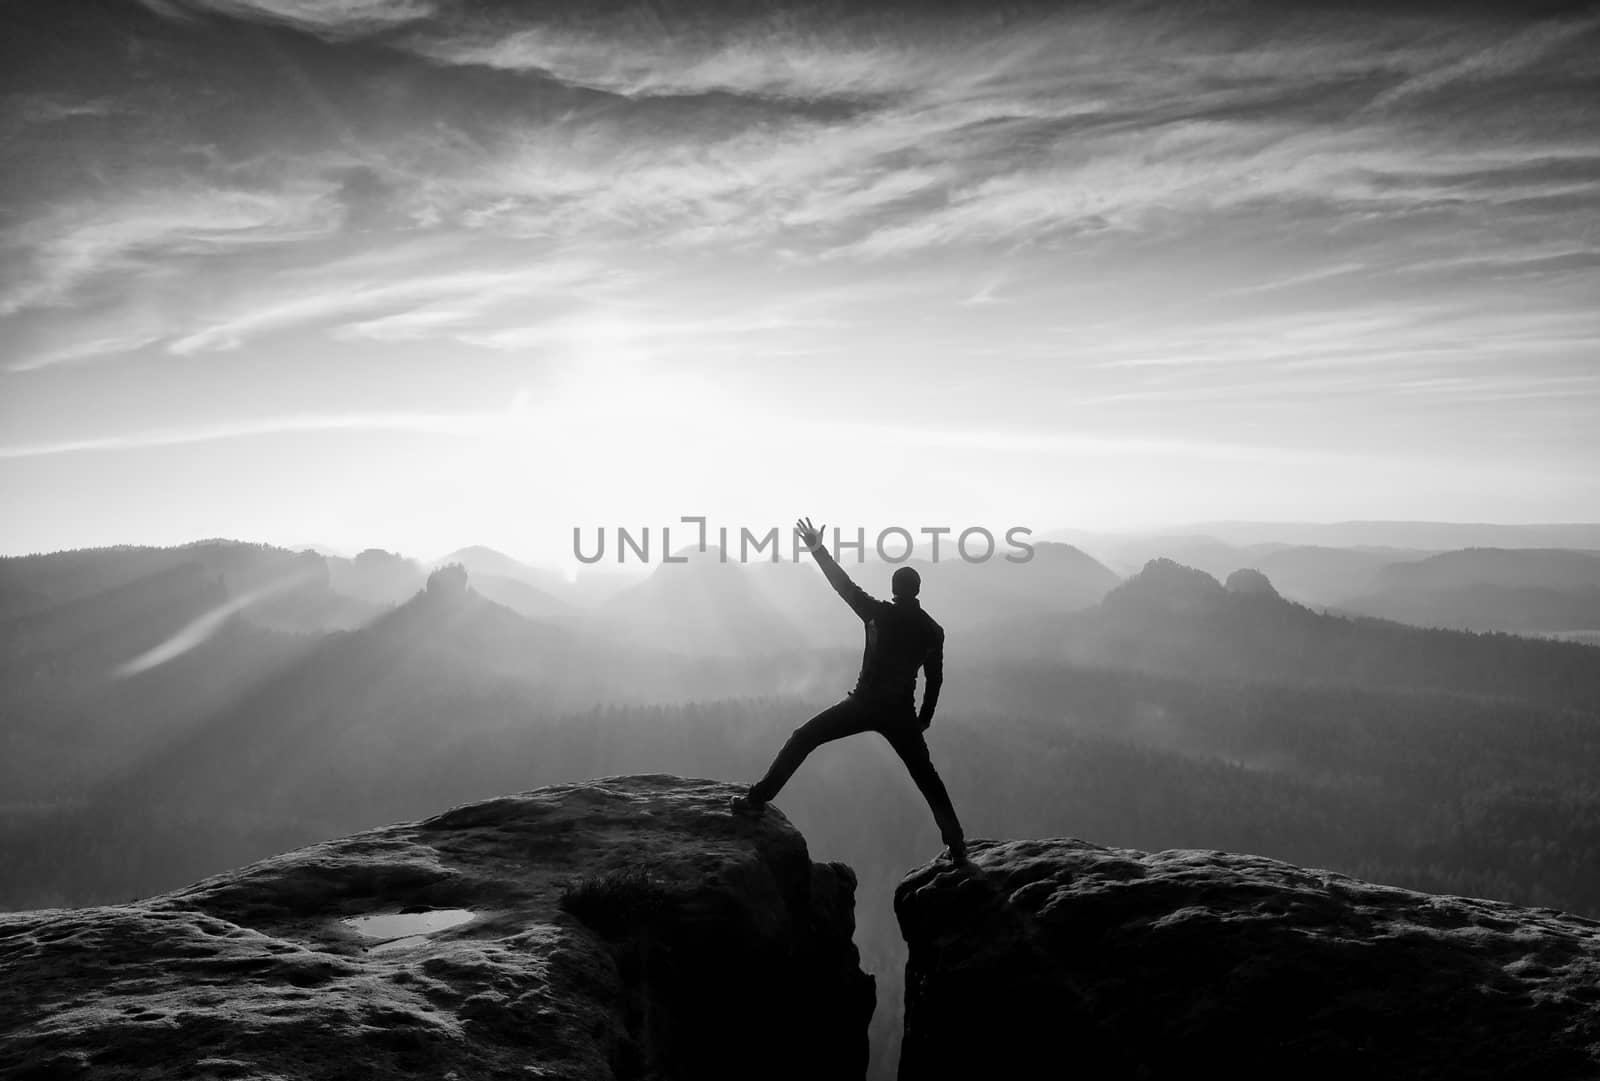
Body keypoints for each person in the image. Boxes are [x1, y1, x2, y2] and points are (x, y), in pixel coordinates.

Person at [732, 517, 967, 863]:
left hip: (863, 703)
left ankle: (756, 800)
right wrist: (924, 718)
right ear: (917, 591)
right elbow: (935, 679)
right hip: (901, 713)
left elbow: (842, 585)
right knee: (926, 777)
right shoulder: (934, 631)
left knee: (803, 738)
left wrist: (816, 548)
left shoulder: (877, 613)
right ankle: (957, 844)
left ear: (894, 589)